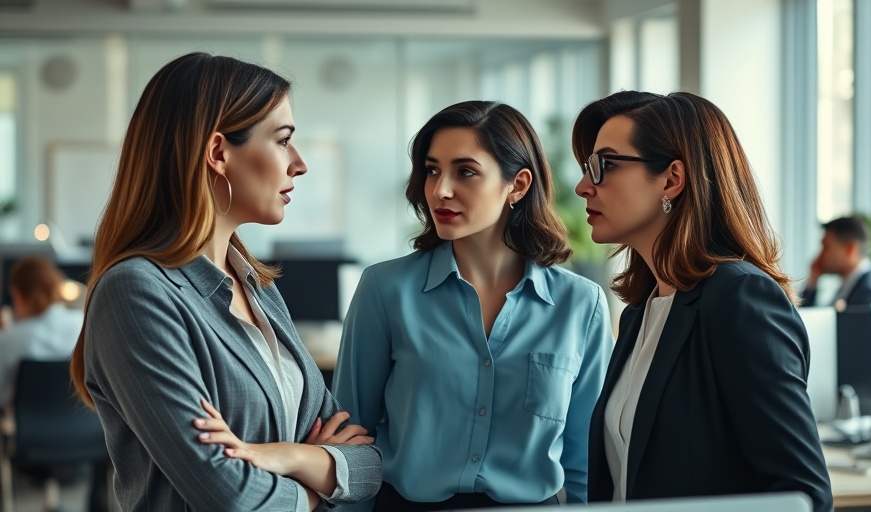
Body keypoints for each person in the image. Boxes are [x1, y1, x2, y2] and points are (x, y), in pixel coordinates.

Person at [69, 52, 381, 512]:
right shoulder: (137, 292)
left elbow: (368, 466)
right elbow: (228, 497)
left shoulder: (258, 286)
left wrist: (282, 455)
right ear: (218, 153)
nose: (299, 164)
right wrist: (318, 485)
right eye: (282, 141)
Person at [331, 100, 614, 511]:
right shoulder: (385, 289)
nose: (440, 190)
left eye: (465, 171)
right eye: (432, 170)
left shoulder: (580, 304)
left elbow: (586, 459)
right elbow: (350, 439)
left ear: (517, 185)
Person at [572, 91, 833, 511]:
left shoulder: (739, 298)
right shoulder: (642, 311)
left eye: (605, 166)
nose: (583, 186)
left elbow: (802, 494)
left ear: (672, 179)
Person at [0, 255, 82, 406]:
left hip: (27, 428)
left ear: (17, 296)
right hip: (88, 427)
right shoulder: (83, 324)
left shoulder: (10, 339)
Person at [801, 215, 871, 309]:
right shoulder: (849, 286)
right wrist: (813, 280)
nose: (820, 255)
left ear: (850, 249)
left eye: (826, 247)